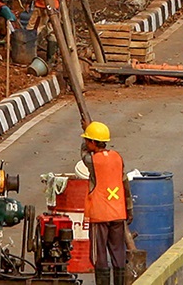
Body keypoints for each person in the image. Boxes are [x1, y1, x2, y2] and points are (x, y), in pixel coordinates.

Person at [81, 122, 132, 285]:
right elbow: (125, 184)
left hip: (100, 215)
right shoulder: (117, 157)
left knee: (99, 255)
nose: (87, 143)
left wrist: (85, 129)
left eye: (88, 140)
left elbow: (83, 153)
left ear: (93, 143)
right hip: (118, 213)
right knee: (118, 252)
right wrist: (129, 209)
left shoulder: (93, 161)